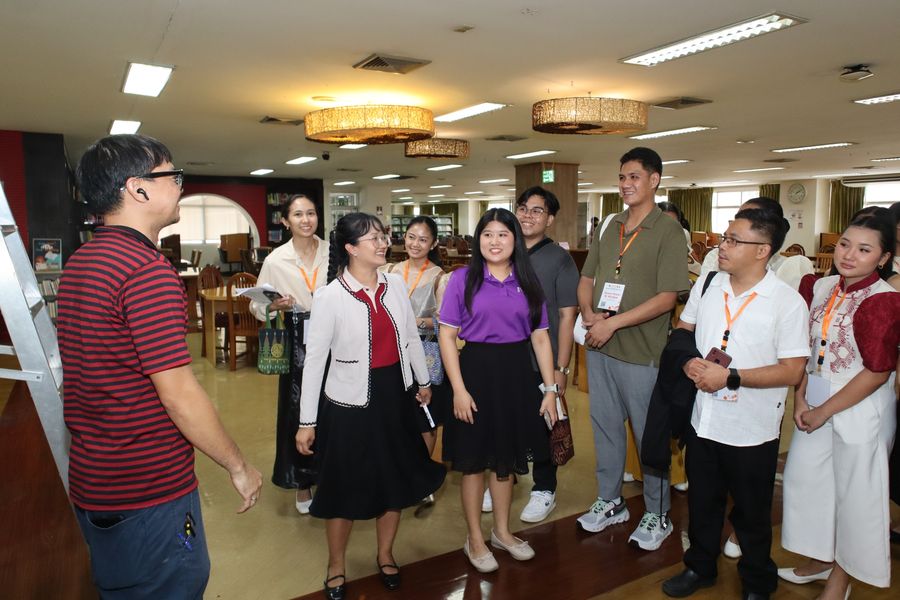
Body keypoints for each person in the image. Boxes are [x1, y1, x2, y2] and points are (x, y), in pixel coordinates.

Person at [58, 134, 262, 598]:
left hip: (96, 480)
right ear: (138, 188)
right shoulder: (145, 271)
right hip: (148, 490)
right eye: (173, 175)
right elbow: (179, 394)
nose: (181, 186)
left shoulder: (82, 261)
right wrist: (238, 465)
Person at [295, 213, 445, 599]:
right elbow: (315, 362)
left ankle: (385, 554)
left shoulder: (394, 284)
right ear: (350, 248)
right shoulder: (330, 297)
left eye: (383, 236)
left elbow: (410, 336)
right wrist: (307, 421)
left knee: (393, 480)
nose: (383, 244)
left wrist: (423, 381)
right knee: (343, 488)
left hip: (395, 396)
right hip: (348, 405)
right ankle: (336, 565)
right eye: (373, 239)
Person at [661, 208, 809, 600]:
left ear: (762, 250)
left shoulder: (787, 302)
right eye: (724, 237)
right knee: (702, 502)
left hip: (752, 428)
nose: (721, 246)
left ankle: (758, 582)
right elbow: (684, 330)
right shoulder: (709, 283)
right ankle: (700, 567)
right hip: (704, 419)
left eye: (732, 240)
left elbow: (793, 370)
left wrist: (731, 376)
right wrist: (687, 361)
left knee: (752, 511)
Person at [779, 208, 900, 599]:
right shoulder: (821, 286)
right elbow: (805, 348)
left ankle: (841, 579)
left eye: (864, 249)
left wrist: (823, 411)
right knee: (806, 482)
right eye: (845, 244)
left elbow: (877, 372)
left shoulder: (885, 300)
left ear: (883, 258)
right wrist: (800, 397)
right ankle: (820, 558)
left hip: (861, 406)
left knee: (856, 497)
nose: (849, 255)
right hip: (815, 398)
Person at [576, 147, 690, 551]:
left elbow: (666, 298)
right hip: (600, 348)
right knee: (605, 430)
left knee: (649, 438)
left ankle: (658, 513)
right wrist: (589, 314)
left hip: (642, 354)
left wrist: (613, 323)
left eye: (634, 177)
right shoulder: (612, 226)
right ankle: (611, 501)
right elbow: (586, 278)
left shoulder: (668, 231)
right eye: (622, 177)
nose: (626, 184)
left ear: (654, 180)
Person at [439, 208, 559, 573]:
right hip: (474, 376)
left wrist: (550, 389)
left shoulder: (528, 280)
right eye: (487, 234)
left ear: (515, 240)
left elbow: (540, 338)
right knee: (474, 463)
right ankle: (475, 538)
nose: (494, 241)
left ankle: (502, 533)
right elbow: (447, 336)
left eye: (503, 234)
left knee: (506, 461)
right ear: (478, 239)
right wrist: (458, 390)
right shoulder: (462, 279)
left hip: (516, 377)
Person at [250, 194, 329, 515]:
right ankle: (302, 480)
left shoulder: (334, 252)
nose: (306, 220)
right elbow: (256, 305)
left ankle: (332, 474)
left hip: (334, 336)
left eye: (311, 213)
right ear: (285, 221)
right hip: (298, 340)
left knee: (335, 408)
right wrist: (273, 305)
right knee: (298, 409)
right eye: (298, 215)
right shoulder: (276, 260)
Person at [510, 186, 579, 523]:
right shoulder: (504, 248)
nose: (528, 215)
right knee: (506, 419)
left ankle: (544, 489)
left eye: (537, 210)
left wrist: (561, 368)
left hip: (543, 358)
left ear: (550, 219)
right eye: (523, 208)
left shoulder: (559, 259)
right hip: (505, 355)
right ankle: (504, 477)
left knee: (544, 424)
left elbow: (567, 316)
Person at [380, 216, 450, 480]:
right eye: (411, 237)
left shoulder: (439, 277)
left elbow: (445, 322)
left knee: (424, 414)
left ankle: (422, 473)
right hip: (391, 351)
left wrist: (415, 321)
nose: (415, 244)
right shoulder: (389, 270)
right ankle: (399, 471)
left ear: (433, 243)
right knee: (395, 413)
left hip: (425, 351)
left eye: (423, 239)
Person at [699, 196, 814, 291]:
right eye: (739, 216)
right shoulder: (715, 258)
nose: (740, 221)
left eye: (750, 216)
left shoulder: (788, 271)